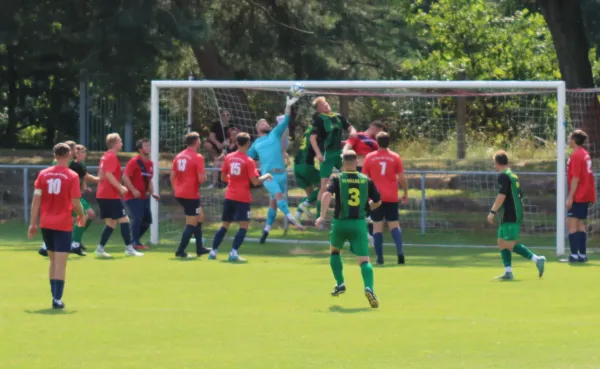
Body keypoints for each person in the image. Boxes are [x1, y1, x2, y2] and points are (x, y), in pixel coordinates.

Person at [315, 150, 382, 308]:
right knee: (364, 260)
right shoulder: (366, 180)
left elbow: (326, 195)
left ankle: (340, 283)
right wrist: (367, 208)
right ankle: (369, 288)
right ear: (357, 162)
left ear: (343, 163)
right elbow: (378, 201)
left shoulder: (337, 178)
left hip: (340, 223)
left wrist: (322, 216)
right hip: (358, 224)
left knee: (335, 251)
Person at [28, 143, 86, 309]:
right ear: (69, 156)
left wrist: (33, 223)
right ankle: (57, 299)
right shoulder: (72, 175)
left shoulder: (43, 174)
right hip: (62, 223)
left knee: (53, 261)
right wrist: (82, 215)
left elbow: (36, 200)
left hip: (46, 223)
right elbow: (75, 201)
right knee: (61, 263)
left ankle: (54, 295)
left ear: (54, 156)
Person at [248, 95, 304, 244]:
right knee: (279, 196)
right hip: (268, 176)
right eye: (262, 123)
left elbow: (285, 120)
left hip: (281, 175)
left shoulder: (274, 134)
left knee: (273, 203)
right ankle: (291, 217)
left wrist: (288, 105)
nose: (266, 124)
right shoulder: (256, 144)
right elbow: (247, 158)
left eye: (267, 122)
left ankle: (266, 228)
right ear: (257, 128)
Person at [209, 132, 273, 262]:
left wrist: (233, 180)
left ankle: (213, 252)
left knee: (225, 225)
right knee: (243, 226)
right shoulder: (249, 161)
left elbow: (222, 177)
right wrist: (266, 175)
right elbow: (255, 182)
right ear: (249, 144)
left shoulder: (229, 157)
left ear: (237, 143)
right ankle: (233, 253)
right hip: (242, 197)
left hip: (229, 196)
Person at [487, 150, 546, 280]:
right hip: (511, 213)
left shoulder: (504, 176)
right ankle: (508, 272)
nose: (494, 166)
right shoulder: (513, 175)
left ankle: (536, 259)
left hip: (510, 214)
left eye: (494, 163)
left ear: (497, 163)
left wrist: (492, 212)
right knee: (501, 242)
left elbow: (501, 196)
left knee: (507, 243)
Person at [362, 132, 408, 265]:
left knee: (377, 227)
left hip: (376, 197)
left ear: (376, 142)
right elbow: (401, 178)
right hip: (391, 196)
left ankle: (380, 258)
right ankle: (400, 254)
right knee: (394, 225)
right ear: (389, 141)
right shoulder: (395, 157)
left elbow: (364, 179)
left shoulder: (369, 157)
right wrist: (405, 192)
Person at [94, 133, 143, 257]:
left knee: (111, 223)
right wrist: (120, 187)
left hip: (103, 194)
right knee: (124, 219)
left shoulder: (105, 156)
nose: (122, 143)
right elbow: (109, 175)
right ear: (115, 144)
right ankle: (129, 248)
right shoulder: (111, 157)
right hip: (109, 195)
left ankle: (100, 249)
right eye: (120, 141)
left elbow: (102, 174)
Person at [309, 96, 357, 221]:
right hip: (327, 154)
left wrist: (352, 131)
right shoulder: (319, 120)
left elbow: (350, 127)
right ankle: (319, 215)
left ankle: (347, 210)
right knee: (324, 185)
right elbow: (312, 138)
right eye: (322, 104)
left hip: (339, 153)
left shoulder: (339, 117)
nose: (325, 105)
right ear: (319, 109)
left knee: (348, 178)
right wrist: (318, 153)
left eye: (325, 102)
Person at [171, 132, 211, 258]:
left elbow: (172, 176)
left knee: (200, 217)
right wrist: (205, 175)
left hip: (181, 193)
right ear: (196, 142)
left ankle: (200, 248)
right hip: (190, 195)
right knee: (191, 223)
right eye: (199, 139)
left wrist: (176, 189)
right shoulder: (197, 157)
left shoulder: (179, 156)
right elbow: (201, 179)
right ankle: (180, 251)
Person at [38, 140, 79, 256]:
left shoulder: (45, 171)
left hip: (47, 216)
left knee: (53, 261)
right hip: (68, 197)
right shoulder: (72, 168)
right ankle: (74, 243)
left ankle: (48, 245)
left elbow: (37, 198)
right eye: (75, 149)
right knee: (84, 215)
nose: (77, 150)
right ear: (70, 153)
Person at [561, 129, 597, 263]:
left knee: (571, 225)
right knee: (580, 224)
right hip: (585, 194)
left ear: (574, 140)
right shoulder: (585, 154)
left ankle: (574, 256)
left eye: (570, 137)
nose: (569, 140)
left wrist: (570, 197)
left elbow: (576, 177)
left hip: (579, 195)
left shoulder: (576, 155)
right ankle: (582, 255)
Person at [123, 138, 160, 250]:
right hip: (131, 196)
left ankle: (133, 241)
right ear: (140, 149)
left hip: (143, 196)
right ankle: (135, 242)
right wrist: (133, 190)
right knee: (137, 216)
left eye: (149, 145)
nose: (149, 147)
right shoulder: (134, 161)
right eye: (146, 146)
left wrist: (152, 192)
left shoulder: (150, 163)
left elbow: (148, 180)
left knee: (147, 220)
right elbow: (125, 177)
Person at [68, 144, 100, 256]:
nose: (84, 154)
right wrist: (100, 179)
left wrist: (85, 187)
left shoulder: (80, 164)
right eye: (83, 152)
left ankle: (75, 240)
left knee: (88, 216)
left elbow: (82, 178)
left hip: (77, 195)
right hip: (71, 196)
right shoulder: (71, 163)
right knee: (85, 215)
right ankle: (74, 243)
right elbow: (86, 176)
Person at [293, 123, 321, 220]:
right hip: (306, 166)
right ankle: (304, 204)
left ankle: (297, 215)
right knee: (326, 185)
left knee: (310, 194)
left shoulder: (309, 129)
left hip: (296, 166)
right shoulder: (318, 131)